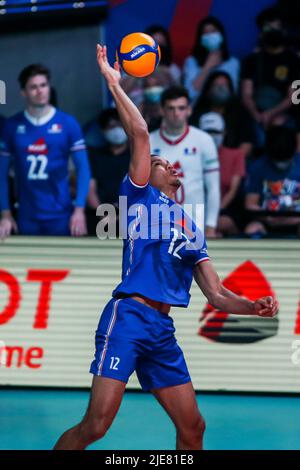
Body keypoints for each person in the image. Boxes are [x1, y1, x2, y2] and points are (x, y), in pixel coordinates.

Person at [53, 44, 278, 451]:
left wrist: (253, 306)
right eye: (159, 163)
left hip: (162, 330)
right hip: (128, 318)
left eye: (170, 163)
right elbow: (139, 133)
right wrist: (113, 83)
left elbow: (217, 294)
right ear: (146, 174)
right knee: (96, 426)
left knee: (194, 428)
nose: (168, 164)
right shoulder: (137, 199)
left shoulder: (191, 225)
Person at [0, 64, 90, 238]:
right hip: (26, 215)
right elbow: (1, 174)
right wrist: (5, 213)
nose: (39, 91)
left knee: (62, 264)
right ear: (23, 93)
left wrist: (79, 210)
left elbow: (83, 169)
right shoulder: (11, 126)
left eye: (43, 85)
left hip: (61, 214)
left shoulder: (68, 123)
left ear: (49, 87)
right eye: (33, 87)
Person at [150, 85, 220, 238]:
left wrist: (211, 226)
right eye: (171, 108)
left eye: (181, 108)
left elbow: (213, 187)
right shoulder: (149, 141)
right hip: (157, 227)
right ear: (162, 110)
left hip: (195, 226)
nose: (176, 113)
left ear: (189, 110)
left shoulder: (204, 140)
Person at [241, 7, 300, 149]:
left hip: (283, 115)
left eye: (277, 27)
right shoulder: (252, 60)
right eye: (269, 27)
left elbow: (293, 98)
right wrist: (257, 115)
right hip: (256, 114)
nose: (273, 31)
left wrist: (271, 114)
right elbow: (246, 95)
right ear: (262, 32)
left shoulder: (294, 61)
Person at [244, 126, 300, 237]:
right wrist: (268, 217)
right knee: (251, 229)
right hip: (267, 222)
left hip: (297, 221)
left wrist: (291, 219)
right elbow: (250, 204)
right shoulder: (257, 167)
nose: (281, 163)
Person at [199, 112, 246, 236]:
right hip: (195, 209)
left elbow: (232, 190)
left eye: (216, 132)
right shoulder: (193, 155)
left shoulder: (236, 154)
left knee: (224, 223)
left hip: (225, 209)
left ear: (224, 132)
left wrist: (212, 217)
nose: (212, 136)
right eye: (208, 132)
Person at [191, 71, 255, 158]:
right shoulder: (197, 113)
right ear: (208, 89)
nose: (220, 88)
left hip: (231, 162)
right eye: (216, 85)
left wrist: (229, 161)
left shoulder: (240, 113)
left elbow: (247, 145)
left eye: (224, 85)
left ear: (230, 89)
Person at [86, 108, 130, 234]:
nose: (116, 130)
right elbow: (90, 191)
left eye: (120, 125)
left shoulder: (137, 157)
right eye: (111, 126)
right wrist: (104, 214)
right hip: (100, 218)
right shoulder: (94, 156)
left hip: (133, 219)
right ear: (103, 131)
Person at [183, 16, 240, 103]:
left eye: (213, 31)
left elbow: (233, 92)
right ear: (200, 39)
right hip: (198, 110)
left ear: (221, 35)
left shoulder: (233, 62)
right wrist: (208, 66)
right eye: (205, 33)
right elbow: (190, 93)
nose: (210, 35)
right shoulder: (191, 62)